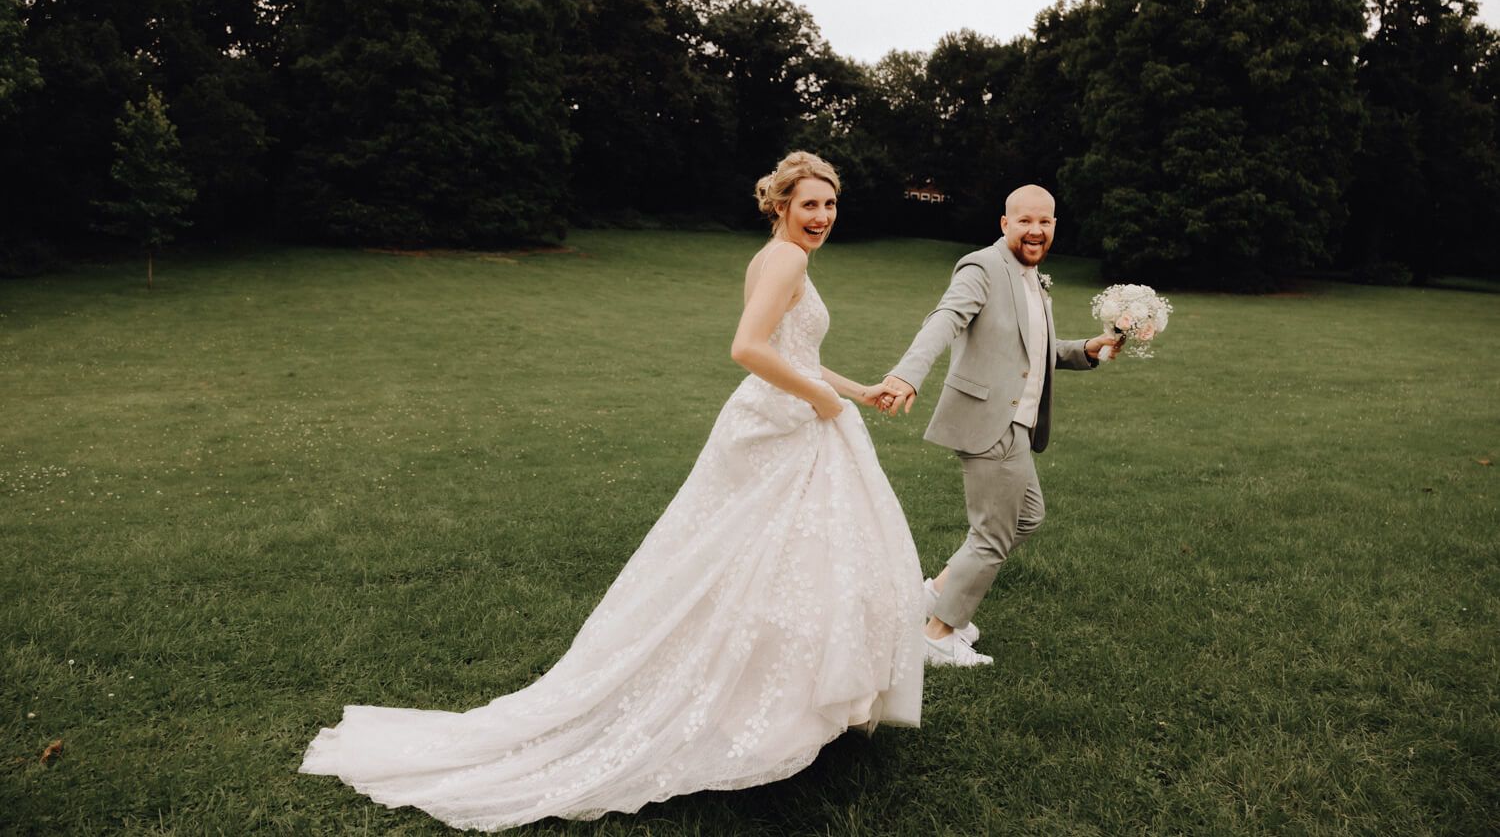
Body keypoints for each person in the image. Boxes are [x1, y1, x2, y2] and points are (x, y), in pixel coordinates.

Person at [301, 152, 925, 830]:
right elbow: (747, 347)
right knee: (763, 561)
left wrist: (856, 390)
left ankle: (769, 700)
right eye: (810, 204)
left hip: (783, 414)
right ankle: (761, 704)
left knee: (760, 564)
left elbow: (793, 353)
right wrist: (824, 404)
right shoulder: (788, 261)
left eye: (830, 206)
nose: (823, 217)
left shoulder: (770, 258)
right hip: (781, 422)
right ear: (780, 204)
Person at [878, 184, 1122, 668]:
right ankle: (938, 635)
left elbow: (1034, 351)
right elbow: (944, 319)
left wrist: (1086, 349)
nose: (1036, 230)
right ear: (1005, 223)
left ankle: (936, 595)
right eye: (1025, 220)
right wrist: (907, 373)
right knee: (992, 534)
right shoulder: (983, 266)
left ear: (1054, 225)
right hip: (989, 419)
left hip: (1018, 425)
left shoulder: (1033, 277)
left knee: (1026, 517)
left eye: (1046, 221)